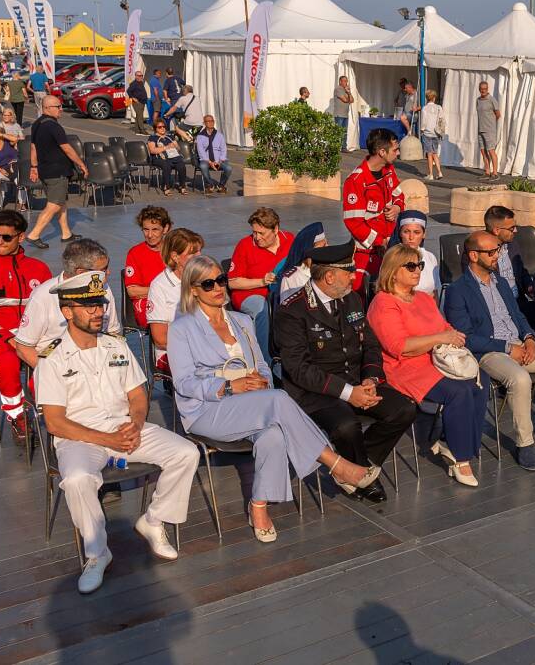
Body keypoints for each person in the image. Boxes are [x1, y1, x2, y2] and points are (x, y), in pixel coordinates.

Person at [168, 256, 379, 542]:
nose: (218, 287)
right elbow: (184, 383)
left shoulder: (242, 321)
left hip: (253, 401)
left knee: (274, 435)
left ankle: (259, 507)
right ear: (193, 290)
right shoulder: (182, 328)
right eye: (208, 284)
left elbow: (263, 364)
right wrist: (229, 386)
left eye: (221, 280)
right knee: (279, 399)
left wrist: (262, 380)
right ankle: (337, 465)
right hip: (208, 410)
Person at [35, 270, 200, 593]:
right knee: (78, 478)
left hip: (123, 428)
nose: (98, 311)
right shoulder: (51, 358)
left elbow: (138, 395)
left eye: (99, 303)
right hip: (79, 438)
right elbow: (55, 422)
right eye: (89, 306)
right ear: (67, 311)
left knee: (186, 452)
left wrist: (136, 424)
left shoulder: (116, 345)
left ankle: (153, 521)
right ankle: (97, 553)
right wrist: (109, 439)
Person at [275, 242, 415, 503]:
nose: (354, 276)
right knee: (345, 426)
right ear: (329, 276)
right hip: (316, 392)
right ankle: (358, 474)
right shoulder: (292, 311)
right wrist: (350, 393)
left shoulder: (351, 298)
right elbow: (299, 369)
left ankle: (358, 467)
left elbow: (370, 343)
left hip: (356, 381)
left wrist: (370, 378)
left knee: (404, 409)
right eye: (348, 272)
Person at [447, 231, 535, 470]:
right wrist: (506, 347)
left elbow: (519, 315)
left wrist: (530, 338)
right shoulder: (458, 290)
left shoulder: (500, 282)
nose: (497, 256)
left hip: (521, 344)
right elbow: (467, 338)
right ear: (473, 255)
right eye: (491, 252)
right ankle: (525, 444)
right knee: (521, 379)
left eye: (498, 250)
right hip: (490, 352)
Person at [367, 245, 486, 487]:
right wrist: (441, 338)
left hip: (436, 359)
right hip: (405, 367)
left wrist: (451, 335)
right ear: (393, 270)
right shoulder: (384, 303)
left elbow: (443, 327)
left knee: (479, 381)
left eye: (419, 265)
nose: (417, 270)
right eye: (410, 266)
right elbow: (400, 347)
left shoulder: (422, 298)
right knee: (459, 391)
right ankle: (461, 458)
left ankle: (449, 440)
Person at [0, 210, 52, 442]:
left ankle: (53, 407)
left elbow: (51, 307)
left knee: (56, 358)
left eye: (6, 237)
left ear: (21, 237)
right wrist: (5, 336)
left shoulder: (40, 269)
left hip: (38, 336)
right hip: (1, 340)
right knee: (7, 363)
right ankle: (17, 417)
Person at [15, 239, 122, 369]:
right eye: (103, 270)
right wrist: (49, 375)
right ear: (81, 273)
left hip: (99, 361)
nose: (109, 273)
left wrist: (118, 369)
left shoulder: (104, 288)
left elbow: (114, 333)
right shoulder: (43, 296)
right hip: (57, 365)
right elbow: (23, 347)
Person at [228, 207, 295, 360]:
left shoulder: (289, 239)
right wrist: (262, 281)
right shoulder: (244, 245)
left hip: (282, 292)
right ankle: (265, 362)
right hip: (250, 294)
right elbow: (232, 282)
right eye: (254, 232)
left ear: (275, 229)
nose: (257, 237)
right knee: (262, 310)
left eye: (262, 233)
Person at [343, 128, 405, 291]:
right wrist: (379, 241)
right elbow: (353, 222)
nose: (398, 153)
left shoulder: (388, 170)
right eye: (395, 150)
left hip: (390, 246)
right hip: (367, 253)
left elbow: (398, 194)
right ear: (382, 152)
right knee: (361, 292)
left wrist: (397, 207)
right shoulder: (356, 181)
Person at [25, 97, 88, 249]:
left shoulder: (37, 124)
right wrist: (81, 164)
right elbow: (66, 148)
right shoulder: (54, 126)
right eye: (58, 106)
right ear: (47, 108)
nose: (61, 109)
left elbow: (33, 147)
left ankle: (66, 234)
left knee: (61, 203)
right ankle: (34, 235)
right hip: (57, 172)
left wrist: (34, 167)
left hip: (45, 171)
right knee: (54, 204)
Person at [147, 228, 203, 370]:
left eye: (199, 251)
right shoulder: (159, 286)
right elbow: (160, 339)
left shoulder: (205, 277)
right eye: (192, 253)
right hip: (173, 350)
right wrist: (198, 347)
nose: (200, 256)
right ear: (175, 256)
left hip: (205, 343)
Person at [124, 206, 172, 329]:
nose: (150, 235)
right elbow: (133, 291)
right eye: (146, 229)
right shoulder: (135, 253)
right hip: (147, 305)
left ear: (165, 228)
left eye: (155, 229)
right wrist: (164, 290)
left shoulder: (175, 250)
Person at [386, 211, 440, 297]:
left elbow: (435, 292)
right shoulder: (393, 257)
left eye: (417, 232)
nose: (411, 237)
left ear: (424, 234)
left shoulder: (431, 257)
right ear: (400, 233)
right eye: (406, 232)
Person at [275, 222, 327, 302]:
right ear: (309, 250)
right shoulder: (292, 278)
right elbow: (287, 309)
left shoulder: (328, 270)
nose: (328, 247)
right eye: (323, 246)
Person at [146, 119, 188, 196]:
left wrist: (175, 145)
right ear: (155, 128)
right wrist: (166, 147)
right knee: (166, 165)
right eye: (160, 127)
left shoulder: (170, 136)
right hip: (159, 158)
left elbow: (178, 148)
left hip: (173, 156)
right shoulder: (152, 138)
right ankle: (166, 186)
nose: (162, 128)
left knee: (181, 165)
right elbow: (152, 151)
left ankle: (182, 186)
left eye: (164, 127)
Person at [195, 115, 231, 193]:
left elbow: (224, 149)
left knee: (228, 168)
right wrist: (210, 162)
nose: (211, 123)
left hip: (219, 160)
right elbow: (201, 151)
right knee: (203, 166)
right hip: (206, 160)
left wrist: (219, 161)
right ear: (204, 123)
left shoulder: (219, 135)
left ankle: (221, 185)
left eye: (212, 121)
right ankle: (210, 185)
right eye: (208, 121)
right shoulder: (200, 136)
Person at [476, 81, 501, 180]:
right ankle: (487, 171)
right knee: (483, 151)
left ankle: (495, 173)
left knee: (491, 151)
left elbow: (498, 114)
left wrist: (491, 123)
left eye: (485, 89)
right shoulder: (478, 100)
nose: (483, 90)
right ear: (479, 89)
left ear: (487, 89)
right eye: (481, 89)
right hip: (480, 129)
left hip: (489, 130)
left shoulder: (492, 100)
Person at [420, 89, 444, 180]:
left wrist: (422, 129)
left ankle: (430, 174)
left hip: (427, 133)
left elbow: (424, 121)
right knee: (435, 153)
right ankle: (439, 172)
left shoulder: (425, 108)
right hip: (436, 133)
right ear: (434, 98)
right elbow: (441, 119)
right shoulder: (439, 107)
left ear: (427, 98)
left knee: (429, 154)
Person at [126, 70, 150, 134]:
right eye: (139, 76)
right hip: (137, 102)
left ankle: (137, 129)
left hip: (142, 102)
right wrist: (133, 98)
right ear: (136, 76)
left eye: (141, 76)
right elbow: (128, 91)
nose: (141, 77)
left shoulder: (141, 82)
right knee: (140, 116)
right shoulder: (134, 83)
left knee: (138, 116)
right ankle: (142, 130)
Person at [333, 75, 354, 143]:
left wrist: (348, 92)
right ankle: (336, 147)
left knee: (344, 132)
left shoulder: (346, 90)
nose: (346, 82)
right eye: (344, 81)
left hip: (345, 114)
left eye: (346, 81)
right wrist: (348, 98)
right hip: (339, 114)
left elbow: (352, 100)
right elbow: (345, 100)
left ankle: (344, 147)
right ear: (340, 81)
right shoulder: (338, 89)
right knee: (338, 132)